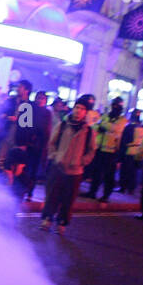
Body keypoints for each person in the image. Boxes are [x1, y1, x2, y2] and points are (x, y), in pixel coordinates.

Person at [40, 95, 97, 234]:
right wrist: (54, 156)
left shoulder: (89, 131)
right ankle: (47, 219)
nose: (78, 111)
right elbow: (52, 143)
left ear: (86, 112)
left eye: (82, 109)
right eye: (77, 107)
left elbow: (92, 150)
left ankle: (62, 223)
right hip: (58, 167)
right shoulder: (63, 125)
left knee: (68, 199)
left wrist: (82, 162)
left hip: (75, 172)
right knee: (52, 195)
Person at [88, 97, 127, 202]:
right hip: (100, 148)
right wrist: (100, 126)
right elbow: (95, 126)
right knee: (96, 172)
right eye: (114, 105)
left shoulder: (123, 120)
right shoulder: (105, 116)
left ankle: (106, 195)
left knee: (109, 175)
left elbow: (116, 129)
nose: (115, 107)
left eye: (117, 106)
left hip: (112, 151)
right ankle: (92, 192)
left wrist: (103, 125)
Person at [24, 90, 53, 200]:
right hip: (28, 144)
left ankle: (30, 191)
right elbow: (25, 125)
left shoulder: (47, 113)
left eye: (42, 98)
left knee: (34, 170)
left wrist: (45, 146)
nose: (40, 100)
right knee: (25, 168)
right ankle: (23, 188)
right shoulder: (30, 109)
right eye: (38, 97)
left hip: (39, 146)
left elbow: (47, 131)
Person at [120, 109, 143, 195]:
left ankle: (122, 188)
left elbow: (124, 141)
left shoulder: (129, 127)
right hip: (138, 153)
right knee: (133, 173)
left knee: (125, 171)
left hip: (129, 152)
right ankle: (131, 189)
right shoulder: (142, 127)